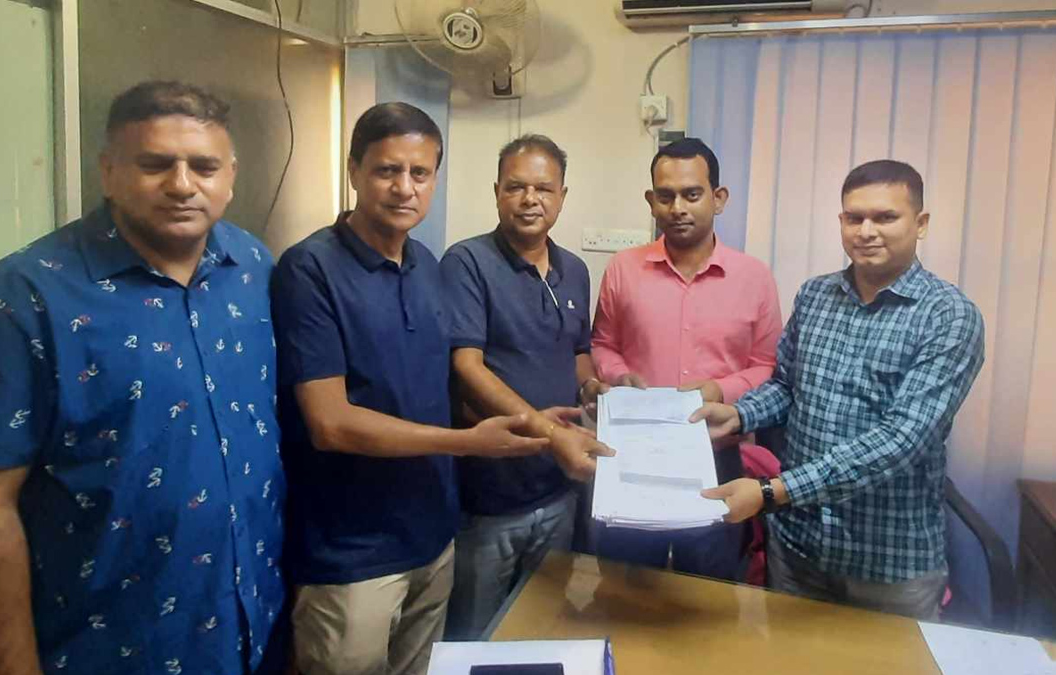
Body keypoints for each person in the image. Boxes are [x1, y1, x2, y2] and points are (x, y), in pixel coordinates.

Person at [0, 81, 287, 675]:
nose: (182, 184)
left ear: (230, 176)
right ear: (108, 172)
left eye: (204, 167)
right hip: (107, 647)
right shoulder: (22, 298)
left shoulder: (253, 268)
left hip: (250, 632)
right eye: (155, 164)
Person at [272, 103, 554, 675]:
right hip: (351, 553)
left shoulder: (426, 265)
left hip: (433, 537)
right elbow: (330, 423)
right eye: (387, 170)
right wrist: (469, 443)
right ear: (354, 171)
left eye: (420, 173)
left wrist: (535, 419)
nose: (405, 188)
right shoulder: (309, 269)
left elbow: (436, 382)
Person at [694, 159, 985, 619]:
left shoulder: (948, 316)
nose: (867, 231)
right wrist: (740, 414)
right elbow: (787, 386)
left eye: (885, 217)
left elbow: (900, 440)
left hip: (888, 562)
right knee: (790, 655)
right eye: (855, 217)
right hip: (799, 547)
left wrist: (772, 492)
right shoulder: (815, 296)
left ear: (921, 223)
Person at [440, 134, 614, 640]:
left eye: (543, 188)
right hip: (492, 495)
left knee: (540, 627)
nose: (529, 199)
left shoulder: (574, 269)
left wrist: (593, 385)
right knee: (475, 635)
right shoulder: (467, 262)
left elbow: (577, 351)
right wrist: (547, 431)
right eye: (516, 187)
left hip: (559, 488)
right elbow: (467, 366)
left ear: (563, 196)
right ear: (497, 192)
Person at [590, 137, 782, 579]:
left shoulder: (754, 277)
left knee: (710, 593)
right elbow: (602, 343)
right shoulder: (623, 269)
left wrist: (719, 390)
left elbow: (768, 366)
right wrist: (620, 375)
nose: (677, 207)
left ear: (719, 198)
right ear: (651, 201)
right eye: (666, 196)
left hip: (716, 457)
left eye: (692, 194)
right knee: (626, 586)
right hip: (633, 456)